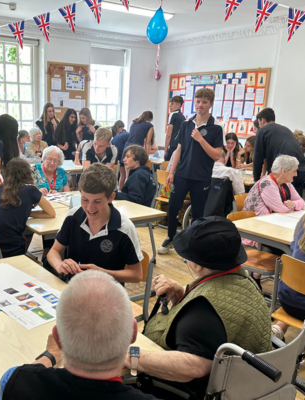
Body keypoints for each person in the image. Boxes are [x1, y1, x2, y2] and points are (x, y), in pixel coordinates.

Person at [131, 217, 271, 399]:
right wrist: (182, 294)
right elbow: (222, 309)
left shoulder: (203, 313)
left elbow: (192, 367)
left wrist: (130, 356)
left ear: (197, 264)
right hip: (254, 382)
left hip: (199, 390)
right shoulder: (244, 280)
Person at [0, 271, 158, 400]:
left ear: (58, 339)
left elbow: (22, 374)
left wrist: (49, 356)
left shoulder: (14, 382)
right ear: (133, 333)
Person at [47, 163, 143, 284]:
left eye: (97, 201)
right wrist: (59, 264)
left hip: (108, 292)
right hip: (75, 287)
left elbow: (137, 275)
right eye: (85, 199)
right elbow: (53, 251)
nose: (90, 208)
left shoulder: (125, 228)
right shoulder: (73, 216)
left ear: (111, 197)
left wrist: (101, 273)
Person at [158, 88, 225, 255]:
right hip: (181, 174)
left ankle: (192, 245)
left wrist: (201, 139)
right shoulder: (187, 124)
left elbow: (217, 155)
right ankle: (171, 237)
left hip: (201, 177)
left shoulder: (216, 127)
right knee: (173, 208)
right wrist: (172, 172)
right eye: (198, 101)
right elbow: (179, 150)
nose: (200, 105)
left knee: (197, 213)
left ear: (210, 104)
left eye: (204, 102)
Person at [0, 158, 56, 258]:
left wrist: (24, 212)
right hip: (10, 246)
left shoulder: (0, 188)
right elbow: (51, 213)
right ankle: (45, 259)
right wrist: (28, 213)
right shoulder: (30, 190)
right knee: (29, 233)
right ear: (28, 172)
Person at [253, 108, 305, 196]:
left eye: (258, 123)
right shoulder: (285, 129)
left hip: (285, 171)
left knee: (279, 202)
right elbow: (266, 156)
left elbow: (258, 157)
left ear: (262, 120)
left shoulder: (262, 131)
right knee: (296, 203)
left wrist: (256, 180)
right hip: (301, 169)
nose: (258, 127)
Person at [272, 212, 305, 340]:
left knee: (299, 282)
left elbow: (294, 246)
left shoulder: (304, 219)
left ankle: (280, 326)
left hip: (286, 301)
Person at [164, 96, 185, 161]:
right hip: (180, 147)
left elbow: (169, 135)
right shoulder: (183, 117)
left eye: (172, 104)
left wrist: (165, 150)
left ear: (178, 105)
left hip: (173, 146)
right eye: (170, 104)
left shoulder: (173, 115)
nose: (170, 106)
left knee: (167, 168)